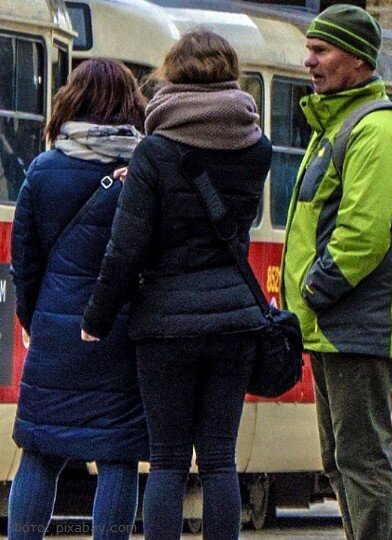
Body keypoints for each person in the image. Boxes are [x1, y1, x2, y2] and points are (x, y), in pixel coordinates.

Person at [81, 30, 272, 540]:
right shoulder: (257, 148)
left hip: (165, 323)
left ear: (173, 74)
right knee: (218, 460)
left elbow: (126, 249)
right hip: (233, 319)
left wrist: (97, 318)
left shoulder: (154, 152)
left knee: (166, 460)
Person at [280, 5, 392, 539]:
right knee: (340, 458)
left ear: (357, 60)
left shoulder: (375, 129)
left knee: (361, 461)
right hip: (336, 324)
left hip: (356, 322)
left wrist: (315, 291)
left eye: (321, 50)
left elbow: (362, 232)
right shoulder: (337, 122)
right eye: (309, 49)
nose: (308, 61)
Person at [9, 59, 148, 540]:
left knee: (41, 451)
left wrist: (35, 319)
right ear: (131, 105)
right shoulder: (143, 172)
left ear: (72, 100)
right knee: (117, 453)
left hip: (55, 333)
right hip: (120, 333)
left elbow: (23, 261)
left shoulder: (44, 170)